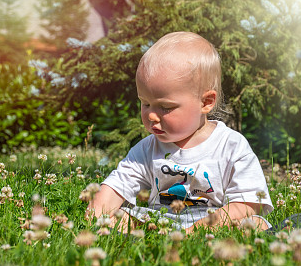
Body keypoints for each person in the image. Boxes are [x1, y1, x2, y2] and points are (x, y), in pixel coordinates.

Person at [85, 31, 274, 234]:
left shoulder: (231, 146)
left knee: (254, 222)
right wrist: (98, 212)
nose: (151, 116)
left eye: (165, 107)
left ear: (205, 102)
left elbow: (248, 203)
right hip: (159, 222)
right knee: (116, 219)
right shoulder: (147, 148)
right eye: (146, 103)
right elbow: (118, 185)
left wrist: (196, 230)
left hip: (214, 223)